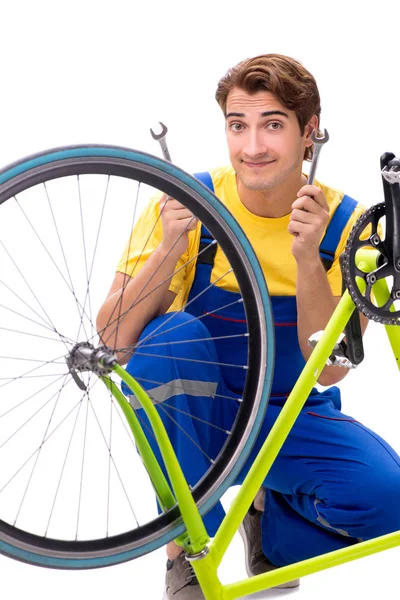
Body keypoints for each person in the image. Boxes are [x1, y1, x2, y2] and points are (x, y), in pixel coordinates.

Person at [96, 54, 400, 599]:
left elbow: (329, 370)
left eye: (273, 125)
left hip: (292, 415)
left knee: (388, 499)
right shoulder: (186, 202)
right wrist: (168, 247)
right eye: (238, 125)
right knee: (167, 341)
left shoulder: (348, 225)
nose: (252, 146)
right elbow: (114, 340)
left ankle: (270, 524)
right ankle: (186, 554)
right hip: (201, 411)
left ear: (310, 134)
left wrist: (310, 259)